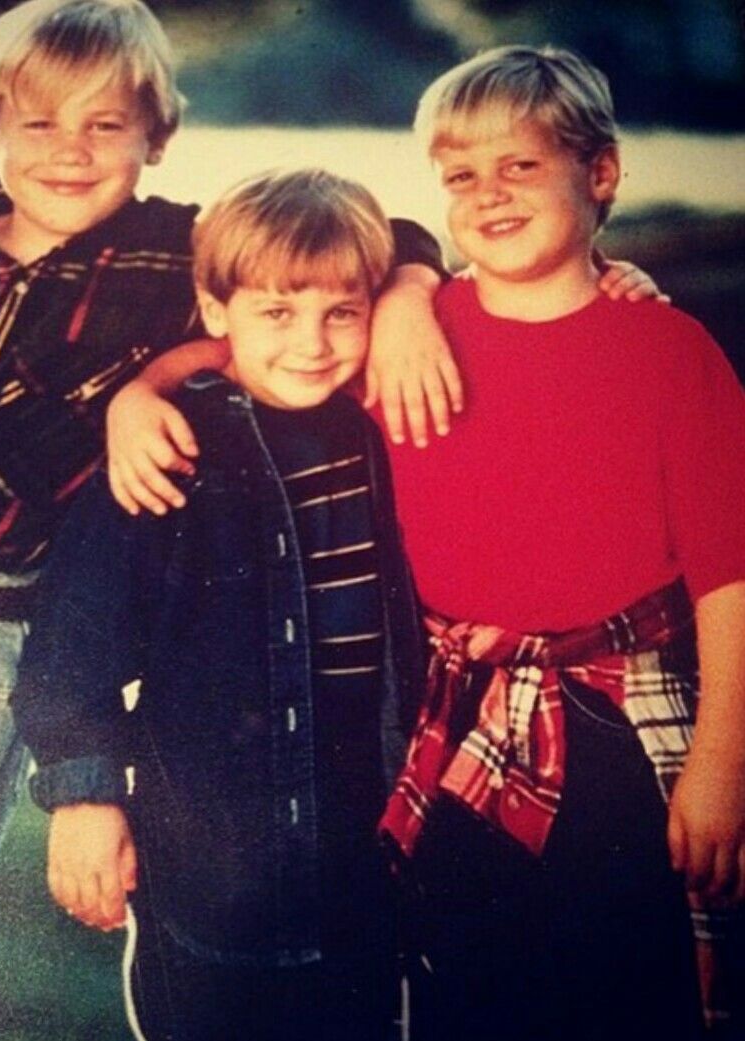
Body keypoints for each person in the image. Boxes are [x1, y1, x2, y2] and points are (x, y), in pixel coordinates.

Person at [0, 3, 448, 1037]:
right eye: (40, 124)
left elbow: (326, 245)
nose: (71, 153)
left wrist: (409, 286)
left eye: (106, 126)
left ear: (159, 135)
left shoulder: (169, 260)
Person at [372, 45, 745, 1041]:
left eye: (521, 166)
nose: (488, 195)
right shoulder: (410, 334)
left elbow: (730, 572)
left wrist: (723, 761)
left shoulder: (666, 350)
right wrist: (142, 397)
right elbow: (260, 314)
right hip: (454, 725)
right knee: (471, 994)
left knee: (629, 991)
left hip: (622, 732)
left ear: (602, 175)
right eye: (461, 177)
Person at [11, 168, 425, 1041]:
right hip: (214, 833)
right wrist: (83, 798)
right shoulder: (171, 443)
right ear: (215, 310)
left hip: (369, 814)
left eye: (340, 313)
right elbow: (70, 645)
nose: (311, 341)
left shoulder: (384, 421)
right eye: (277, 312)